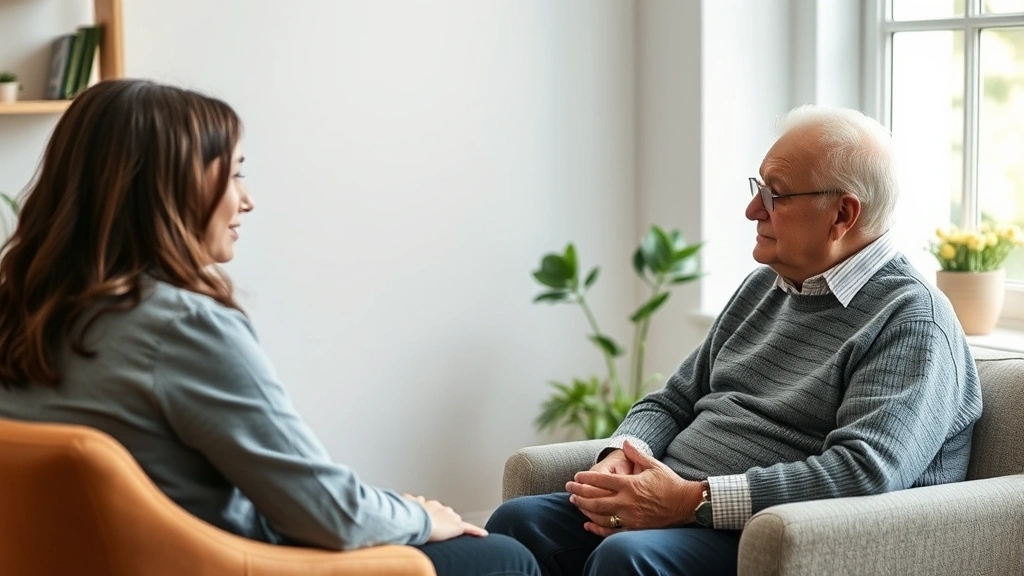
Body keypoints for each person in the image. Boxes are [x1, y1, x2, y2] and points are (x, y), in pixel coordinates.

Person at [0, 79, 540, 576]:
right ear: (169, 186)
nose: (247, 199)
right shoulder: (182, 327)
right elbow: (327, 515)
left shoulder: (19, 310)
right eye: (233, 172)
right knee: (503, 557)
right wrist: (420, 515)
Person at [485, 105, 983, 576]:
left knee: (626, 557)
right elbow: (673, 399)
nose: (751, 210)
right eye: (757, 188)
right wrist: (622, 453)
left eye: (774, 195)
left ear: (842, 215)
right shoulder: (764, 286)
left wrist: (692, 501)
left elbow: (865, 471)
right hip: (676, 500)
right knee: (517, 524)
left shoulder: (912, 318)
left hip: (771, 529)